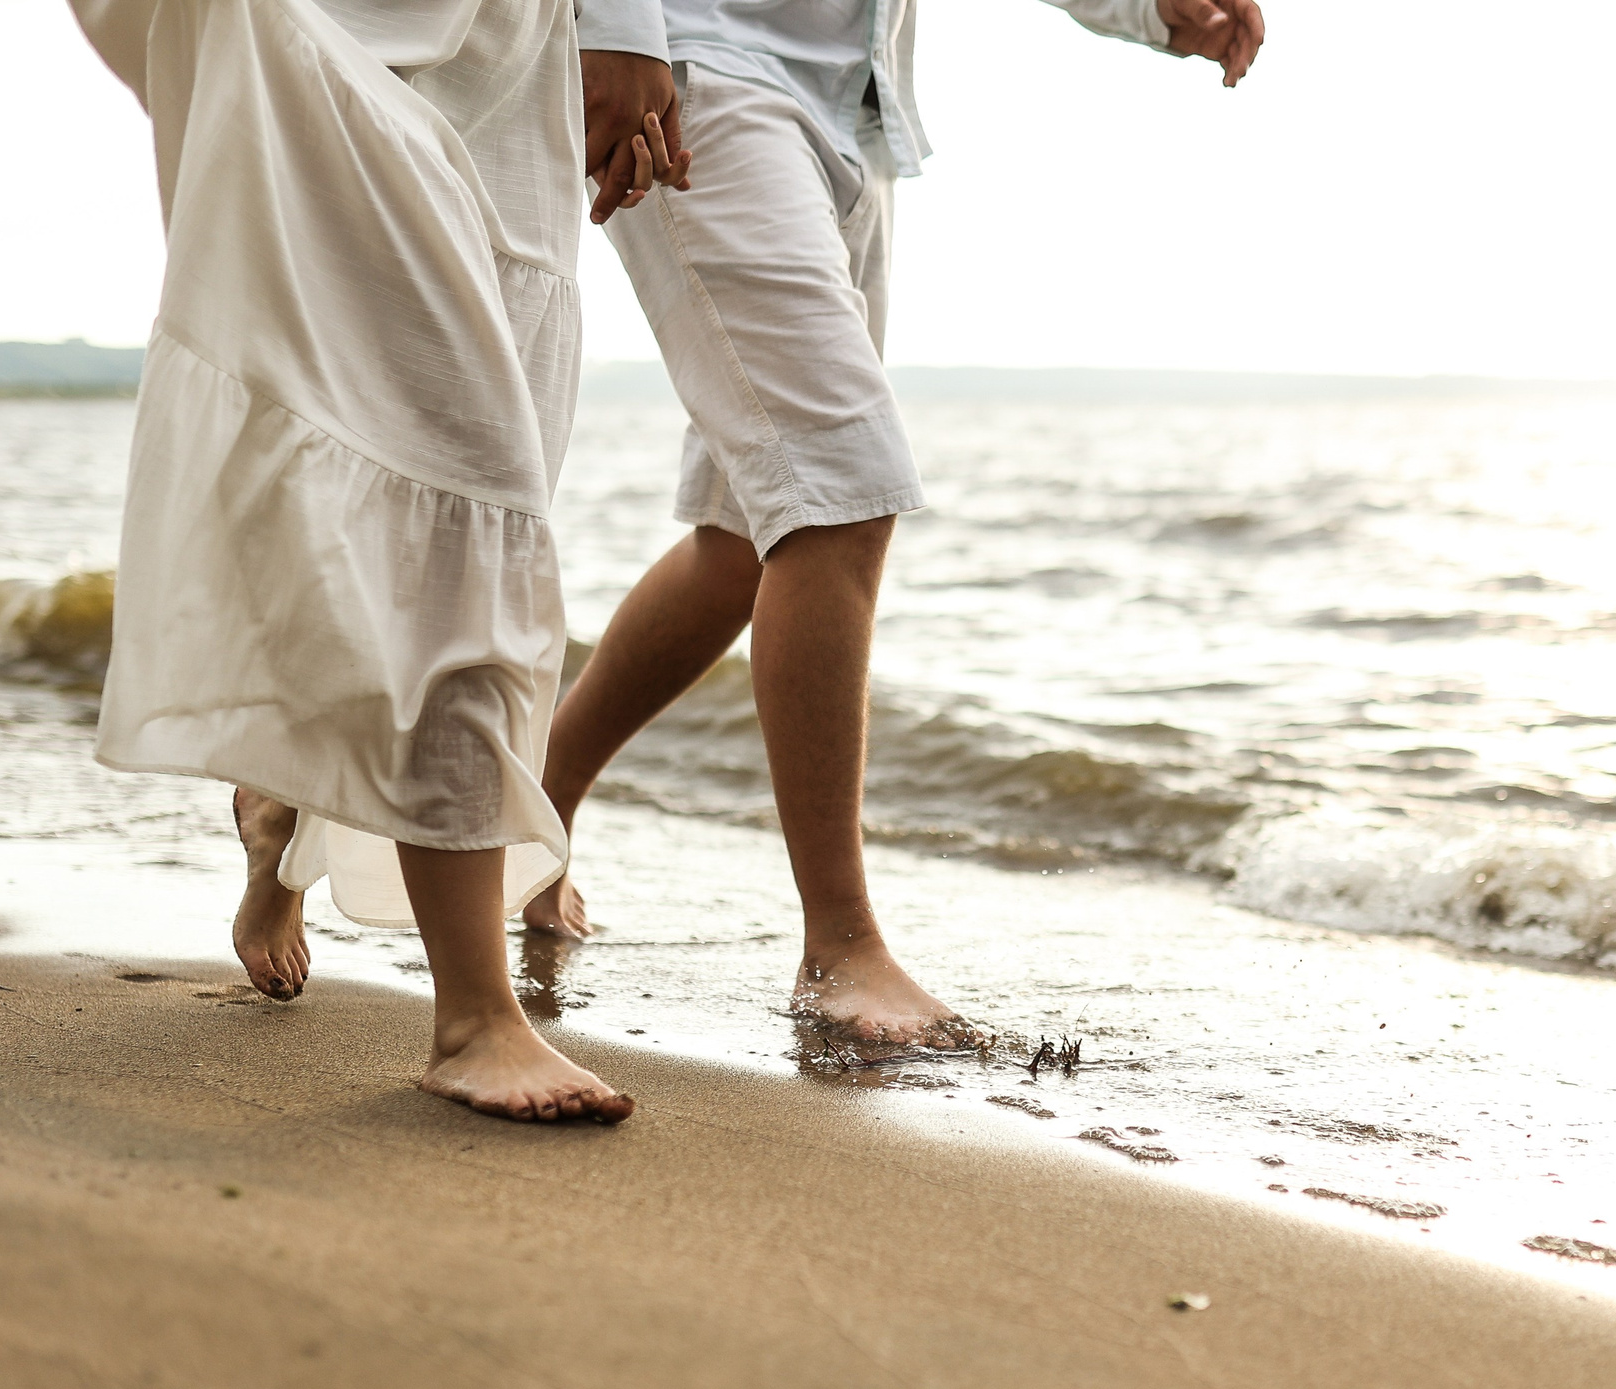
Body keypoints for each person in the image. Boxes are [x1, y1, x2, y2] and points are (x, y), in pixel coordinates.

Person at [522, 0, 1268, 1045]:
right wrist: (620, 29)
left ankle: (535, 809)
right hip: (700, 72)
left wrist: (1150, 11)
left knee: (745, 541)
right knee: (839, 495)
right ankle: (841, 951)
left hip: (852, 111)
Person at [70, 0, 681, 1122]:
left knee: (453, 517)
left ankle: (281, 812)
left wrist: (630, 22)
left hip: (501, 74)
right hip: (332, 43)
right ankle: (474, 1017)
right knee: (464, 506)